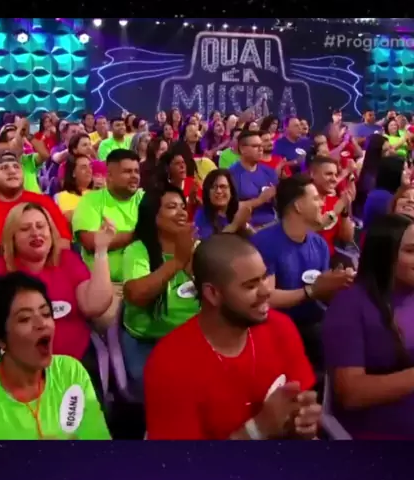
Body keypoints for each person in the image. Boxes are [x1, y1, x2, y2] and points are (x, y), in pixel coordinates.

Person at [144, 233, 321, 440]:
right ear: (213, 294)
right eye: (250, 286)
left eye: (264, 277)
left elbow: (303, 411)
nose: (266, 291)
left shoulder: (280, 327)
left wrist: (304, 423)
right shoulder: (169, 365)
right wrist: (258, 429)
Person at [0, 202, 113, 384]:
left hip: (71, 368)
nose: (35, 233)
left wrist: (101, 250)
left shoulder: (68, 261)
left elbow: (93, 305)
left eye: (41, 226)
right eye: (25, 229)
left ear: (51, 232)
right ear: (11, 237)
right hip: (8, 370)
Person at [0, 272, 111, 440]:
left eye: (46, 314)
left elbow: (98, 444)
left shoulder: (71, 372)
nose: (42, 324)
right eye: (25, 319)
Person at [322, 214, 414, 439]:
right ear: (385, 255)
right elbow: (351, 394)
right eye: (411, 251)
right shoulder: (349, 305)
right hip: (379, 429)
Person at [253, 175, 354, 370]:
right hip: (276, 330)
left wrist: (338, 283)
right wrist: (311, 291)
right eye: (316, 198)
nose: (322, 203)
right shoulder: (264, 242)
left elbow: (323, 292)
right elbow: (266, 297)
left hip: (315, 323)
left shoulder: (319, 244)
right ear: (298, 206)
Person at [122, 186, 199, 396]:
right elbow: (136, 296)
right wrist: (177, 262)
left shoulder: (197, 248)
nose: (182, 213)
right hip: (150, 341)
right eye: (172, 207)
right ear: (153, 215)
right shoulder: (138, 250)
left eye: (183, 207)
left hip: (194, 339)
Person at [0, 150, 71, 270]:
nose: (12, 171)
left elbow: (64, 243)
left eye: (16, 167)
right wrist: (11, 250)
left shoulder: (44, 202)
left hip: (44, 272)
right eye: (4, 168)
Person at [73, 150, 143, 327]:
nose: (134, 176)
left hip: (143, 281)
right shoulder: (91, 201)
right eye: (127, 171)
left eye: (136, 171)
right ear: (109, 176)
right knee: (107, 320)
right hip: (109, 287)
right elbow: (90, 242)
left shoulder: (145, 199)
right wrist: (138, 234)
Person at [228, 130, 279, 228]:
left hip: (272, 222)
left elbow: (278, 203)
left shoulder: (269, 171)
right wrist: (260, 200)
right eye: (255, 146)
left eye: (261, 145)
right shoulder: (231, 175)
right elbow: (230, 207)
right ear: (242, 149)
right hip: (246, 227)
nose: (261, 149)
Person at [309, 156, 355, 256]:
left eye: (336, 175)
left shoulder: (335, 201)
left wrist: (344, 211)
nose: (334, 179)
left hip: (328, 256)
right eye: (328, 174)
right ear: (313, 174)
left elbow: (347, 238)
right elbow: (305, 232)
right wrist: (335, 211)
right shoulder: (301, 200)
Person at [194, 169, 251, 240]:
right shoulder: (202, 215)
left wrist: (245, 225)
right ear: (207, 193)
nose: (218, 191)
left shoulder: (236, 212)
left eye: (223, 187)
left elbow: (255, 239)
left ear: (231, 191)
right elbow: (210, 244)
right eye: (213, 187)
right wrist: (234, 225)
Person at [362, 156, 409, 233]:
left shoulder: (388, 194)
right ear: (393, 171)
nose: (408, 172)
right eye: (404, 169)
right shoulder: (380, 197)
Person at [352, 133, 391, 218]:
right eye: (386, 150)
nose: (390, 153)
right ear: (377, 151)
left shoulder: (382, 168)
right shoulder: (369, 176)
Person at [57, 155, 96, 220]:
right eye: (84, 167)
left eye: (90, 166)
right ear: (73, 173)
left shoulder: (96, 194)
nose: (89, 170)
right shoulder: (64, 196)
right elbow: (72, 218)